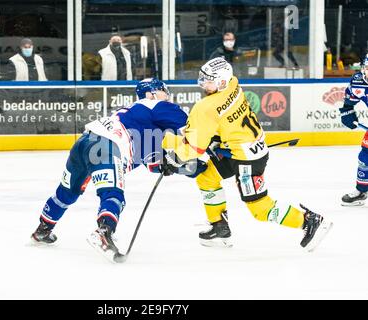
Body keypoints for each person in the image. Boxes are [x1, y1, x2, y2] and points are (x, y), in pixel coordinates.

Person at [161, 57, 332, 250]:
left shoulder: (205, 107)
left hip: (246, 159)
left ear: (221, 82)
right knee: (207, 178)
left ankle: (309, 221)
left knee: (259, 209)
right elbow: (222, 121)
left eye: (208, 81)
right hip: (239, 150)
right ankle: (219, 227)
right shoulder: (233, 84)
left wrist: (173, 159)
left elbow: (195, 147)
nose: (203, 84)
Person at [30, 78, 205, 261]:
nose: (167, 95)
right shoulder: (156, 105)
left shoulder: (139, 119)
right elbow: (193, 129)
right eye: (163, 91)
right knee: (113, 195)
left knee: (68, 192)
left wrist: (189, 168)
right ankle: (103, 232)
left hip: (83, 143)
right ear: (151, 94)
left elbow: (156, 164)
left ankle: (43, 230)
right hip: (106, 147)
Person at [339, 54, 368, 206]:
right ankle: (361, 191)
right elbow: (349, 103)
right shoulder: (359, 82)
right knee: (365, 157)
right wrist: (347, 113)